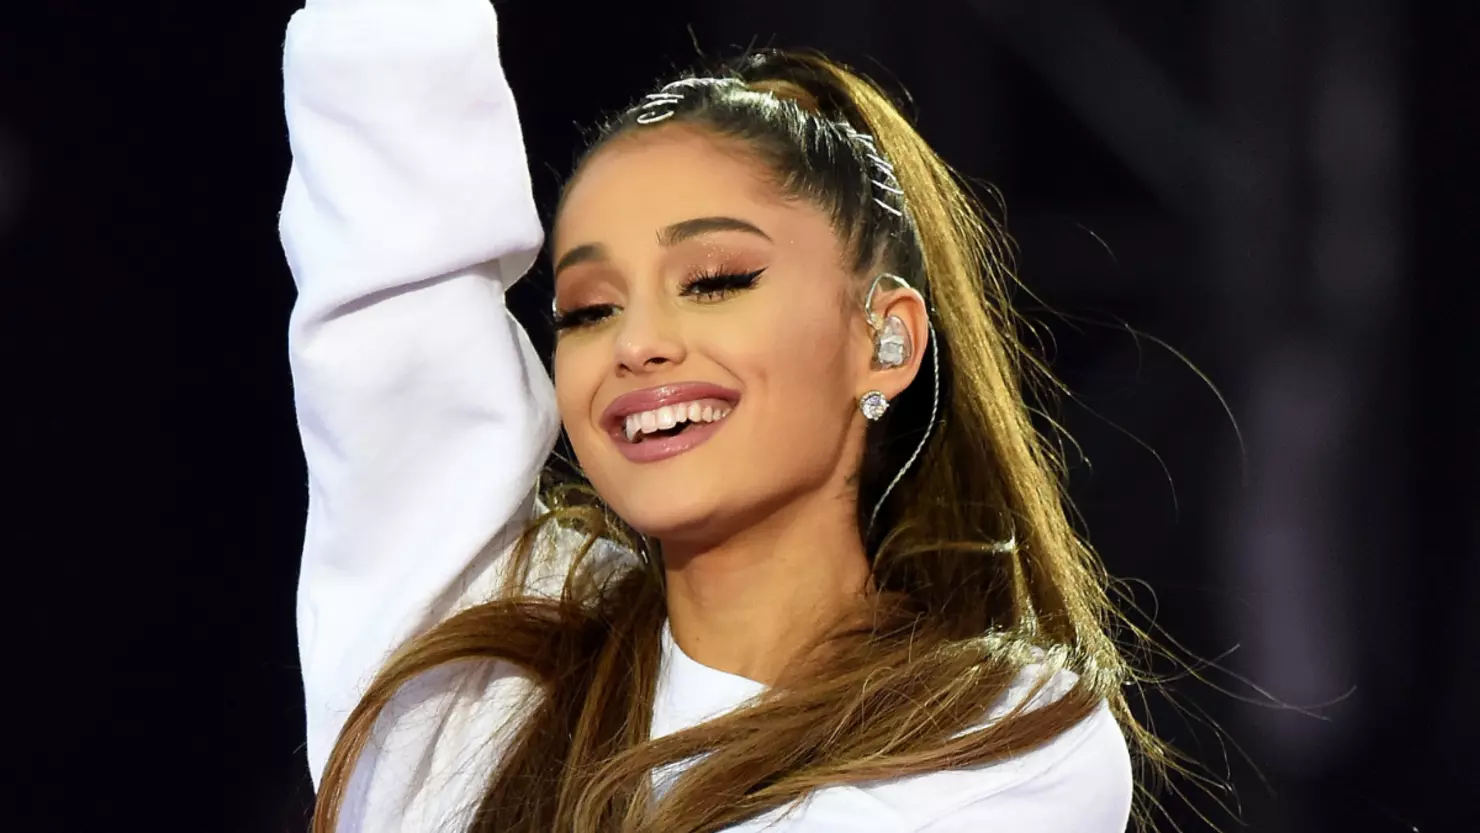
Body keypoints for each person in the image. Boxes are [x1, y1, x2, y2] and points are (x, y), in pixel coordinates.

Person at [280, 0, 1164, 830]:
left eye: (715, 281)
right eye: (589, 308)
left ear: (884, 340)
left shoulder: (998, 736)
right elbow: (395, 292)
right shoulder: (487, 679)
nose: (637, 343)